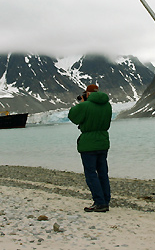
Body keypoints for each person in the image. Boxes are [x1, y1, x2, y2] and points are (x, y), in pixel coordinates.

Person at [68, 84, 113, 213]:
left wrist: (81, 103)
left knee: (91, 173)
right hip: (103, 141)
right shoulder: (107, 105)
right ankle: (106, 200)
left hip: (88, 143)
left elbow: (73, 116)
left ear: (87, 94)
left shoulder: (84, 105)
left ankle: (99, 202)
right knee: (103, 173)